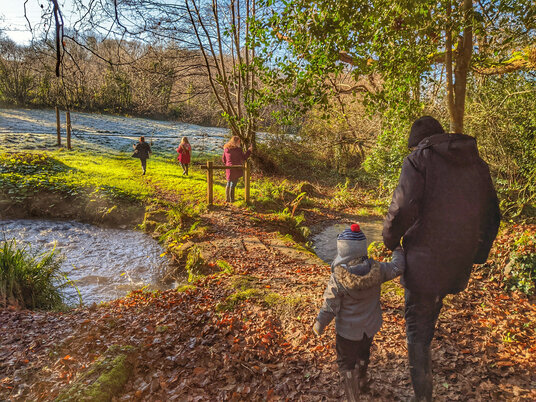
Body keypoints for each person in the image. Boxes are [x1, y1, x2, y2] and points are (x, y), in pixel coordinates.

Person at [382, 116, 501, 401]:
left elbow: (401, 208)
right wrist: (477, 254)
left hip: (424, 260)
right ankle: (424, 381)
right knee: (428, 317)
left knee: (416, 329)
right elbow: (493, 215)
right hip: (457, 260)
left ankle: (423, 396)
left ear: (420, 142)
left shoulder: (419, 160)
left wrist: (390, 241)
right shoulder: (477, 164)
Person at [312, 224, 405, 401]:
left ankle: (352, 396)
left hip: (347, 333)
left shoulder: (338, 278)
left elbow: (330, 305)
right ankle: (362, 381)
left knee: (346, 364)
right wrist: (397, 248)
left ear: (342, 251)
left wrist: (319, 324)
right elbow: (398, 267)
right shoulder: (378, 269)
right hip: (369, 328)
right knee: (364, 353)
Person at [221, 136, 252, 203]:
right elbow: (244, 158)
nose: (240, 142)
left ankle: (227, 199)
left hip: (228, 168)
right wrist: (249, 151)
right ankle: (232, 199)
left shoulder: (226, 149)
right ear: (236, 142)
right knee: (233, 183)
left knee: (228, 182)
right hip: (236, 168)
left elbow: (223, 159)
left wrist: (227, 164)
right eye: (239, 141)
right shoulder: (238, 149)